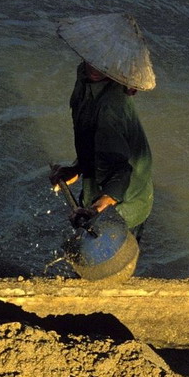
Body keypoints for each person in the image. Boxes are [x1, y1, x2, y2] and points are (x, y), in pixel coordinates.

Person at [49, 13, 157, 231]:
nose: (95, 67)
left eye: (105, 64)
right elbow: (90, 135)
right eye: (95, 58)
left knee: (111, 254)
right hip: (98, 182)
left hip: (125, 201)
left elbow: (121, 171)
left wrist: (94, 209)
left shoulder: (110, 108)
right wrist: (77, 169)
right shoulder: (84, 77)